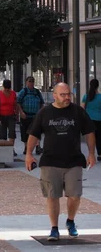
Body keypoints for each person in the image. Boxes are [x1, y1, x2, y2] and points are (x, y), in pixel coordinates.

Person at [26, 82, 96, 241]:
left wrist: (91, 153)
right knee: (52, 196)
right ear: (54, 95)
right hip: (50, 161)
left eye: (68, 94)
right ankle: (54, 228)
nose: (67, 98)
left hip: (74, 161)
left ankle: (70, 221)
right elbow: (34, 134)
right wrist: (29, 154)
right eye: (63, 95)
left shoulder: (78, 112)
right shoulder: (45, 112)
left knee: (75, 195)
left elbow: (89, 132)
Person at [17, 76, 45, 155]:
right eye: (30, 81)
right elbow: (18, 102)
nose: (31, 83)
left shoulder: (37, 92)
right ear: (26, 82)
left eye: (32, 81)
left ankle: (38, 147)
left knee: (37, 132)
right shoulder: (23, 91)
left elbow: (42, 103)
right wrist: (21, 112)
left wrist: (41, 113)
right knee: (25, 133)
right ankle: (26, 147)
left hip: (35, 116)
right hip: (25, 115)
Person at [81, 79, 101, 161]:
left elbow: (82, 108)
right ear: (98, 86)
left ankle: (91, 153)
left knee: (90, 137)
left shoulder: (86, 96)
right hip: (99, 120)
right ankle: (99, 154)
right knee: (99, 137)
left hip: (89, 120)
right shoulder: (100, 97)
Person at [0, 79, 18, 156]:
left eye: (8, 88)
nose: (7, 90)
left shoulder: (13, 93)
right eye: (5, 88)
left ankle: (11, 148)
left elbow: (15, 104)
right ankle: (4, 149)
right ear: (3, 87)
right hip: (1, 115)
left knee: (12, 132)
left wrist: (17, 114)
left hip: (11, 115)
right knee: (2, 134)